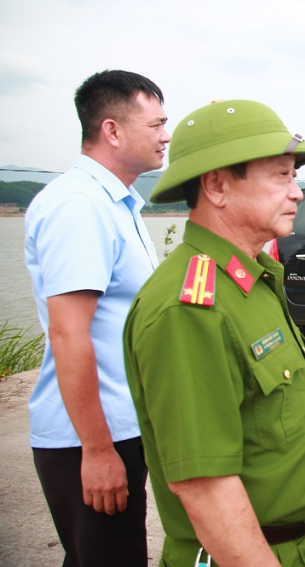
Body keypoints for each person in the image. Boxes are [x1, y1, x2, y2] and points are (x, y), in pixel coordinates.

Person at [123, 100, 305, 567]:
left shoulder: (252, 279)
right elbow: (205, 487)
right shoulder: (189, 308)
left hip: (293, 544)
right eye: (282, 176)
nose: (297, 193)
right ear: (217, 185)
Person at [24, 70, 168, 566]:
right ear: (112, 130)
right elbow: (69, 335)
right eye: (156, 124)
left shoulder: (117, 203)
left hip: (120, 423)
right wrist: (98, 450)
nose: (166, 135)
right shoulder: (79, 206)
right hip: (91, 433)